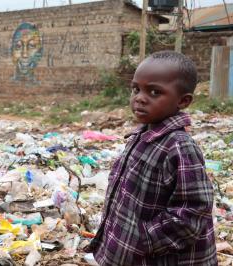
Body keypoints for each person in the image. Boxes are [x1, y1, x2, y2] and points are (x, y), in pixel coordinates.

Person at [85, 51, 217, 265]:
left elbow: (192, 213)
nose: (139, 98)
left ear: (183, 101)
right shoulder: (143, 135)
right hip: (131, 251)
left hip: (159, 257)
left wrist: (142, 239)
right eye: (136, 89)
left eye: (154, 92)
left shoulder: (179, 146)